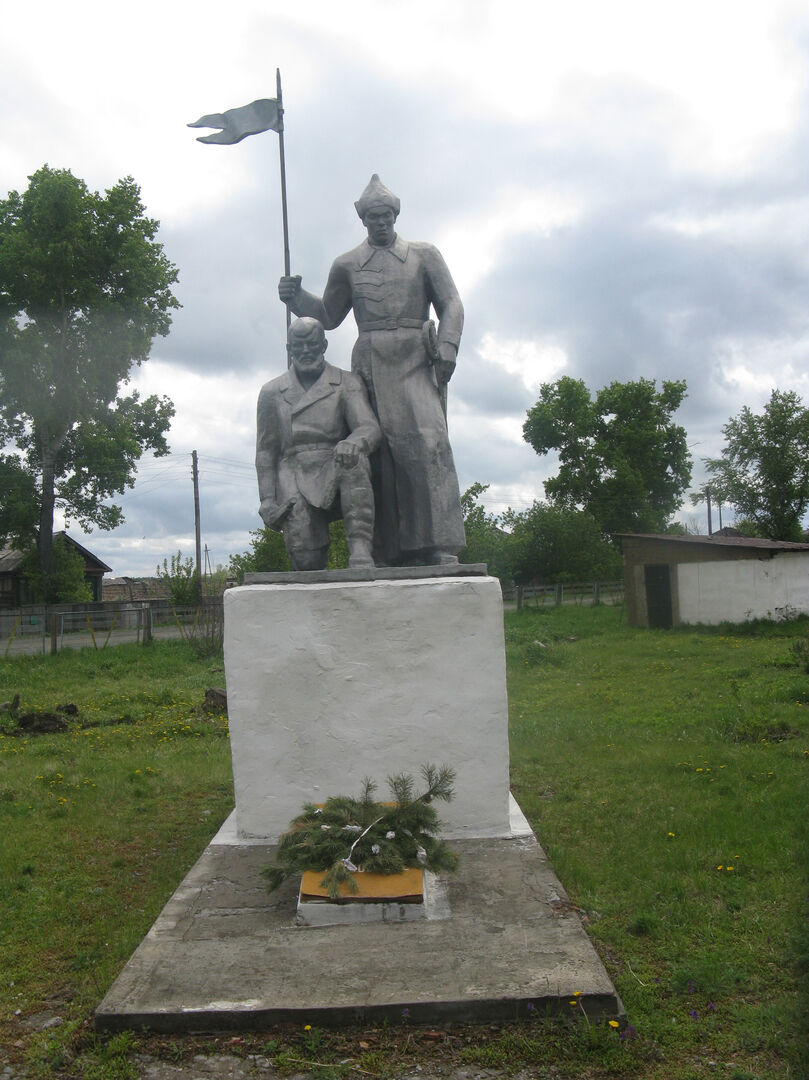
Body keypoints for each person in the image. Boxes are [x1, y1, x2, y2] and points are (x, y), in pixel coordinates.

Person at [278, 175, 465, 566]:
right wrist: (297, 298)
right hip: (371, 359)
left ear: (395, 216)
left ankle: (436, 544)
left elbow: (451, 303)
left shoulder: (424, 254)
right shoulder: (347, 264)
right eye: (373, 217)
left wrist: (447, 346)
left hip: (416, 356)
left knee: (428, 442)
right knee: (379, 453)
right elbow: (329, 315)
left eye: (386, 216)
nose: (381, 223)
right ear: (363, 220)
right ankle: (383, 549)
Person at [256, 317, 381, 570]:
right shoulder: (272, 392)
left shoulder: (346, 382)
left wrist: (355, 442)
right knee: (306, 562)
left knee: (352, 460)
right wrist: (267, 500)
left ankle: (360, 550)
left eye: (312, 344)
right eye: (299, 345)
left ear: (323, 345)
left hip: (334, 463)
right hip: (293, 471)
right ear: (289, 349)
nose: (305, 351)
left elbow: (369, 427)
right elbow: (266, 451)